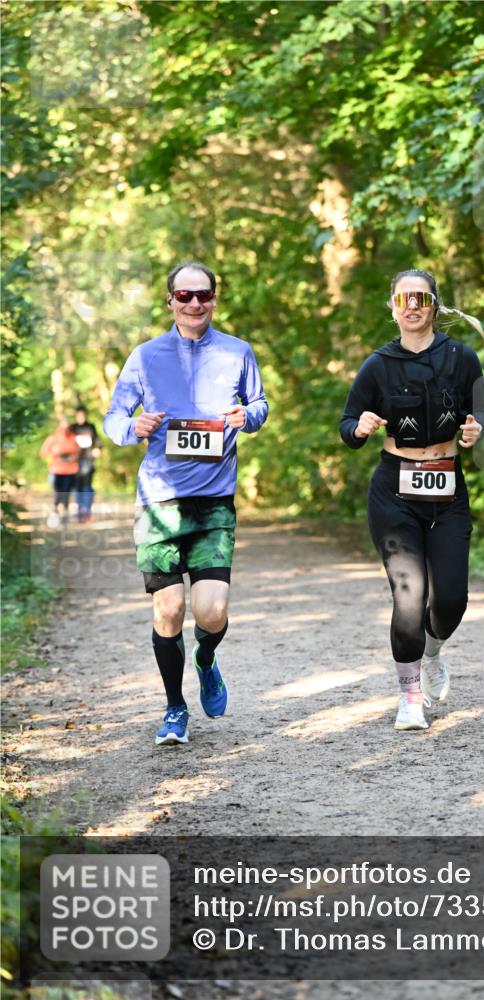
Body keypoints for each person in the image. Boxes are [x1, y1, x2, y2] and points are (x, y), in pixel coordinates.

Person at [104, 261, 268, 747]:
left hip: (213, 503)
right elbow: (115, 417)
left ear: (214, 299)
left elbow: (260, 405)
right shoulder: (145, 356)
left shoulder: (237, 352)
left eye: (203, 295)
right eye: (184, 295)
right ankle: (175, 707)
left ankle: (205, 658)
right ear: (170, 301)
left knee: (211, 614)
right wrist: (132, 427)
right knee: (170, 610)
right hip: (159, 502)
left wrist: (247, 416)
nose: (194, 303)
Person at [340, 268, 484, 732]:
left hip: (447, 490)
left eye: (420, 298)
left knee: (452, 601)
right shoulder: (377, 365)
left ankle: (433, 651)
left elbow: (480, 413)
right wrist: (360, 428)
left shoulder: (462, 358)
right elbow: (347, 426)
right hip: (394, 491)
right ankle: (409, 698)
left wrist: (476, 430)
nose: (411, 306)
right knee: (409, 595)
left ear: (434, 305)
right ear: (392, 306)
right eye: (403, 298)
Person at [39, 419, 81, 528]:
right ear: (59, 427)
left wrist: (72, 457)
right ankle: (55, 512)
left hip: (70, 470)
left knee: (66, 492)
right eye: (63, 427)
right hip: (56, 470)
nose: (65, 430)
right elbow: (43, 452)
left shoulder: (73, 437)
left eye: (67, 427)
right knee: (58, 492)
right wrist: (57, 454)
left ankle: (64, 516)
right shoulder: (53, 438)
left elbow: (78, 451)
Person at [70, 405, 100, 523]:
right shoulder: (72, 428)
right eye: (79, 415)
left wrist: (97, 449)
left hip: (88, 460)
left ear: (86, 415)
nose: (81, 417)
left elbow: (97, 441)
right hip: (74, 462)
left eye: (83, 415)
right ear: (76, 415)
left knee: (87, 486)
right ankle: (79, 513)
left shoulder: (91, 427)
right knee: (76, 487)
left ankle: (87, 512)